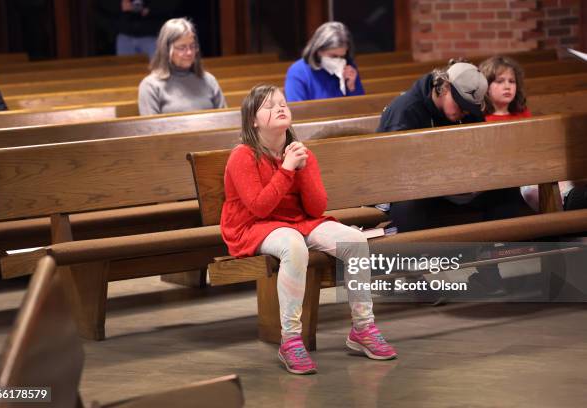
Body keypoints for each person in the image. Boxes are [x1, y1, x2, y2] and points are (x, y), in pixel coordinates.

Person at [221, 84, 397, 375]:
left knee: (355, 240)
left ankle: (363, 329)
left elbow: (316, 208)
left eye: (282, 103)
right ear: (252, 120)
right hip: (254, 225)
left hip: (298, 221)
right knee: (293, 245)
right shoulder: (243, 156)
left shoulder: (300, 153)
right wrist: (287, 169)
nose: (279, 107)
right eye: (269, 105)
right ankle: (290, 340)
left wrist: (301, 169)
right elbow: (259, 208)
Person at [377, 60, 526, 295]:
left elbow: (478, 149)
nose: (465, 112)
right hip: (408, 190)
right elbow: (394, 169)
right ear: (444, 87)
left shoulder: (468, 111)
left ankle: (488, 267)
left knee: (505, 192)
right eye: (461, 104)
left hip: (454, 187)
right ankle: (410, 272)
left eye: (470, 108)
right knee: (410, 205)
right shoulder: (406, 110)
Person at [480, 55, 586, 211]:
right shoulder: (484, 119)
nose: (507, 86)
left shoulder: (522, 113)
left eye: (512, 81)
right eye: (500, 81)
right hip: (509, 175)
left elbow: (535, 143)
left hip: (533, 165)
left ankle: (569, 202)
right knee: (532, 190)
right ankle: (563, 210)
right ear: (486, 86)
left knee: (564, 176)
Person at [138, 18, 226, 115]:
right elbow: (151, 128)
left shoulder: (209, 80)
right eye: (182, 47)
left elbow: (225, 121)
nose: (189, 52)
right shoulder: (151, 86)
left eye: (192, 46)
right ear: (167, 50)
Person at [284, 21, 364, 102]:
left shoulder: (349, 67)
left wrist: (352, 87)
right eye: (333, 56)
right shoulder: (298, 71)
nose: (339, 61)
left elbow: (361, 107)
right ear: (318, 50)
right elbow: (296, 110)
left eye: (342, 56)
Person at [98, 0, 178, 60]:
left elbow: (172, 4)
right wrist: (119, 5)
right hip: (124, 33)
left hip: (153, 34)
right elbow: (102, 4)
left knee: (157, 73)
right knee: (124, 72)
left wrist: (151, 8)